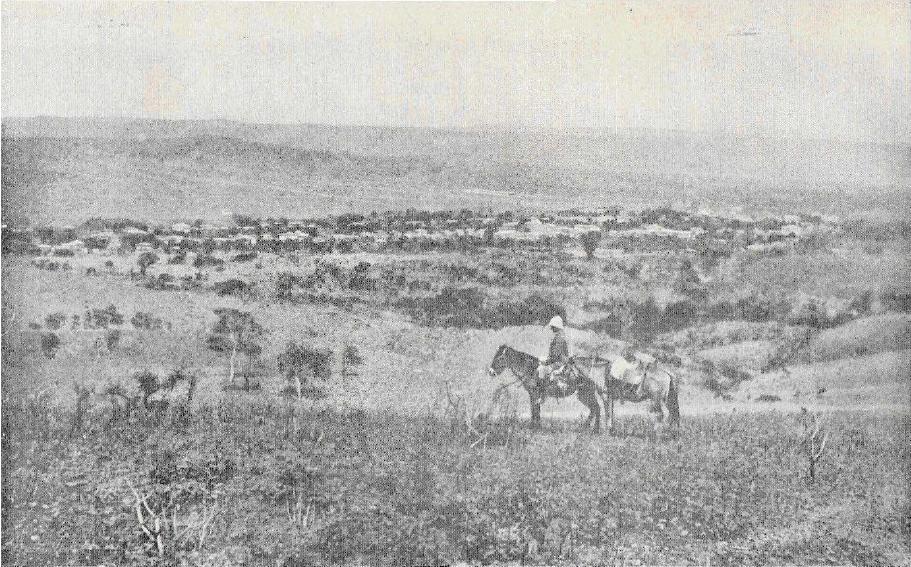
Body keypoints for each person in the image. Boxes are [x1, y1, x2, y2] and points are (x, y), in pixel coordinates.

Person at [537, 315, 571, 400]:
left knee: (542, 369)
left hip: (560, 362)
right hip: (558, 359)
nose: (551, 328)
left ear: (556, 327)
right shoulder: (559, 336)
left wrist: (546, 362)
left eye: (553, 327)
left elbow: (555, 355)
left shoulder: (559, 338)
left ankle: (542, 394)